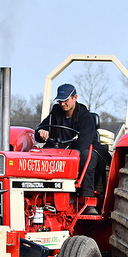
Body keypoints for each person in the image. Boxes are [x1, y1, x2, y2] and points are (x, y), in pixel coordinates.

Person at [35, 83, 103, 215]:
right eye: (60, 101)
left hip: (77, 149)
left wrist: (68, 153)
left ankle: (88, 201)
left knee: (86, 156)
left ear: (75, 97)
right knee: (39, 154)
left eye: (65, 100)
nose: (62, 104)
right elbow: (40, 130)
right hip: (58, 149)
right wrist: (41, 132)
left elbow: (83, 142)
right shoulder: (55, 112)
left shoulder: (85, 117)